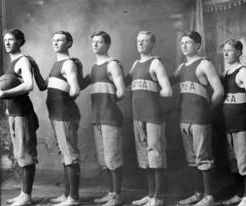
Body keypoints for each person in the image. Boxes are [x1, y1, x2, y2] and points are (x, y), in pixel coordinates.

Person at [169, 31, 224, 206]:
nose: (184, 45)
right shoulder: (181, 67)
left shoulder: (204, 64)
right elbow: (165, 81)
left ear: (198, 45)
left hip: (200, 118)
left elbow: (219, 91)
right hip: (184, 118)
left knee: (203, 158)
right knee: (192, 159)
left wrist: (207, 110)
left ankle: (209, 197)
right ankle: (198, 193)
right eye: (182, 43)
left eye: (188, 42)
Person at [34, 31, 81, 206]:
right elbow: (42, 85)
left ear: (69, 43)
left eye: (60, 40)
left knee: (70, 154)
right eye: (54, 39)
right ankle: (67, 194)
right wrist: (33, 66)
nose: (55, 42)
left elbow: (75, 90)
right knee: (65, 154)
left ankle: (74, 198)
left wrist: (64, 102)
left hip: (65, 115)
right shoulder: (57, 64)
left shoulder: (68, 64)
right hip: (57, 115)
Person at [125, 31, 172, 206]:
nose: (141, 44)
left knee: (156, 155)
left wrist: (154, 95)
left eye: (145, 41)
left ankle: (158, 198)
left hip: (153, 116)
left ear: (152, 44)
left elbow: (167, 90)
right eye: (138, 41)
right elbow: (123, 82)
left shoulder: (156, 63)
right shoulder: (136, 63)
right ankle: (150, 194)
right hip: (138, 116)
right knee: (144, 156)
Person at [0, 29, 39, 206]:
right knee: (19, 154)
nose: (7, 43)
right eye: (5, 40)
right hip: (14, 113)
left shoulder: (22, 60)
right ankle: (23, 194)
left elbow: (29, 85)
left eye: (11, 40)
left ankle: (27, 196)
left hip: (23, 113)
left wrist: (5, 92)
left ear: (20, 41)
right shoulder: (13, 61)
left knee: (25, 155)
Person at [220, 39, 246, 206]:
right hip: (229, 124)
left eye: (230, 50)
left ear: (239, 52)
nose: (226, 53)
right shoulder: (226, 72)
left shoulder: (244, 71)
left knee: (245, 160)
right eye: (224, 51)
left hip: (242, 124)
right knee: (234, 161)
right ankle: (239, 194)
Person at [89, 31, 125, 206]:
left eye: (99, 42)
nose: (95, 45)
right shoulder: (94, 67)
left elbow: (121, 91)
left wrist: (108, 102)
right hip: (97, 118)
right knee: (103, 161)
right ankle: (110, 193)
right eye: (93, 42)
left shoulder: (112, 65)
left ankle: (116, 197)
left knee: (113, 159)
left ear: (107, 45)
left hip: (110, 117)